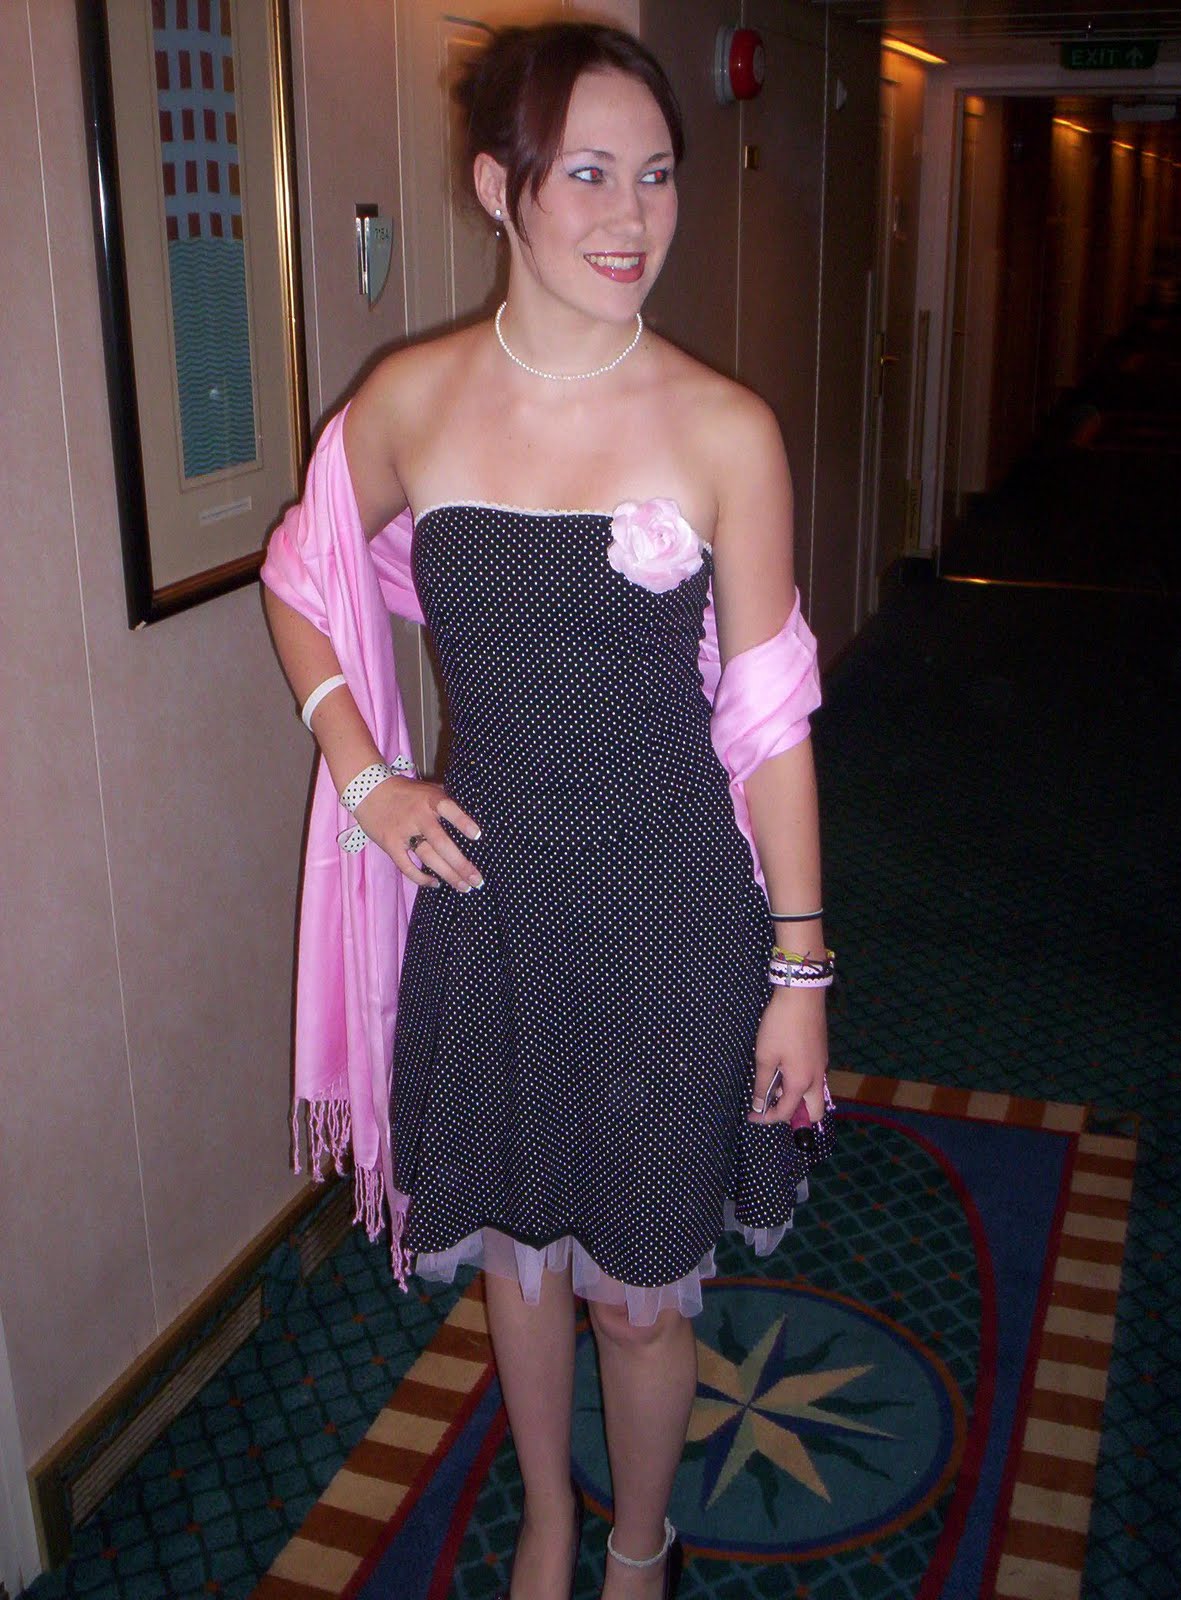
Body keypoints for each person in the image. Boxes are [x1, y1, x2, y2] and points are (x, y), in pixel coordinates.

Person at [262, 23, 833, 1600]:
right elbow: (301, 580)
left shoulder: (724, 429)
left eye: (655, 176)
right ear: (495, 186)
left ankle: (638, 1549)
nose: (630, 216)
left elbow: (771, 725)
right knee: (519, 1262)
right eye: (586, 173)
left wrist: (801, 970)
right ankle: (547, 1519)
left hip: (669, 905)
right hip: (492, 901)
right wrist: (366, 777)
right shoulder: (413, 400)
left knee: (638, 1293)